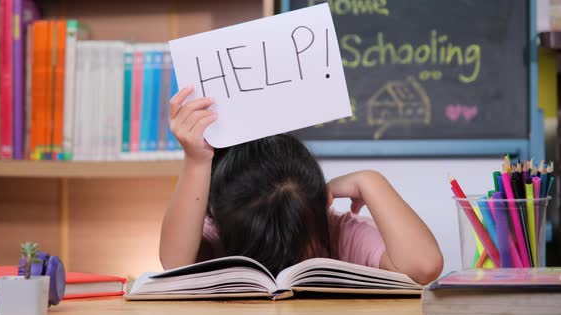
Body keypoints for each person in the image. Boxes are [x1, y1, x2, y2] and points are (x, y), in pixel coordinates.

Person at [159, 86, 443, 284]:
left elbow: (424, 266)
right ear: (218, 221)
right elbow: (175, 263)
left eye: (297, 242)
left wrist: (370, 181)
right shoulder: (218, 230)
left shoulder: (343, 233)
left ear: (323, 210)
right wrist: (196, 162)